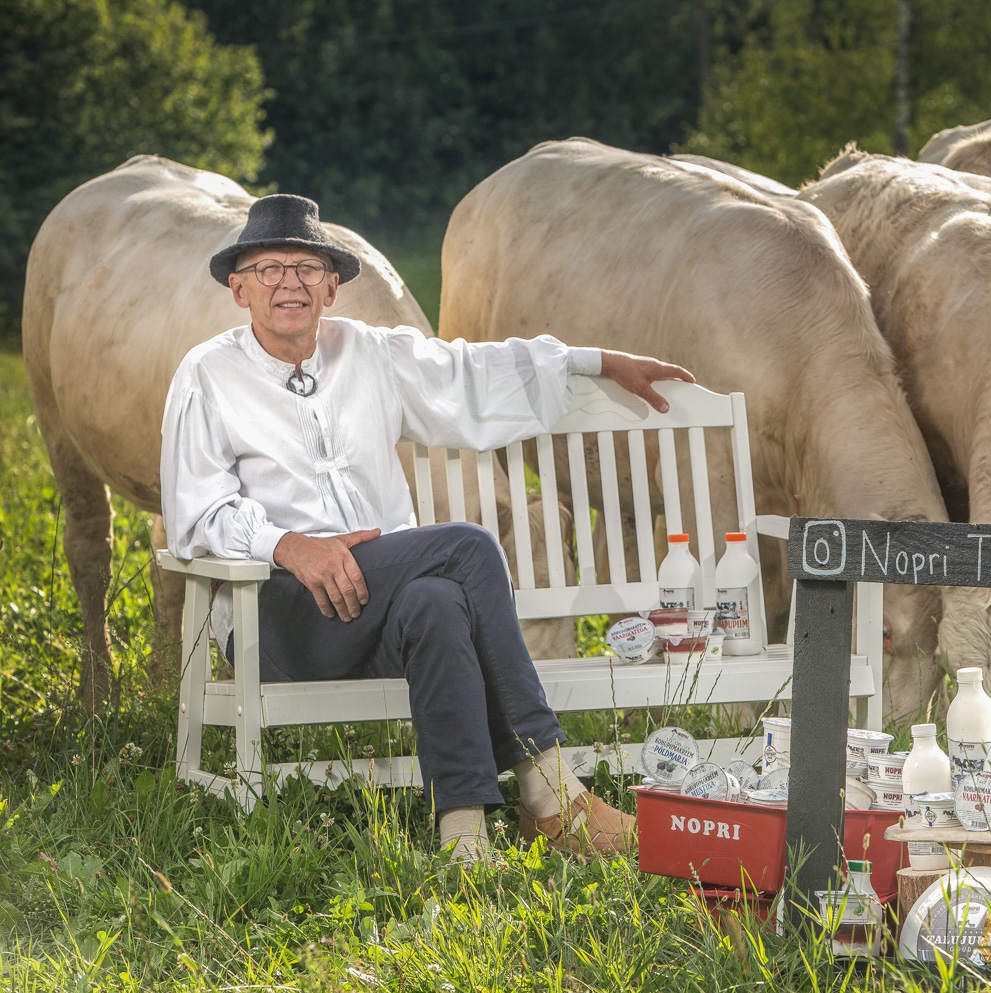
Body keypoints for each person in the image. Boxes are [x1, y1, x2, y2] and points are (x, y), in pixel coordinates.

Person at [161, 194, 695, 861]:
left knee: (436, 601)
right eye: (269, 268)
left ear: (332, 285)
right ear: (238, 287)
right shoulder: (207, 375)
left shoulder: (368, 354)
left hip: (376, 607)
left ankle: (464, 836)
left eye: (306, 267)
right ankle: (549, 786)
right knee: (467, 547)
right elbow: (194, 512)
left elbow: (472, 372)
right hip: (276, 612)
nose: (288, 283)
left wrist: (595, 361)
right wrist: (289, 546)